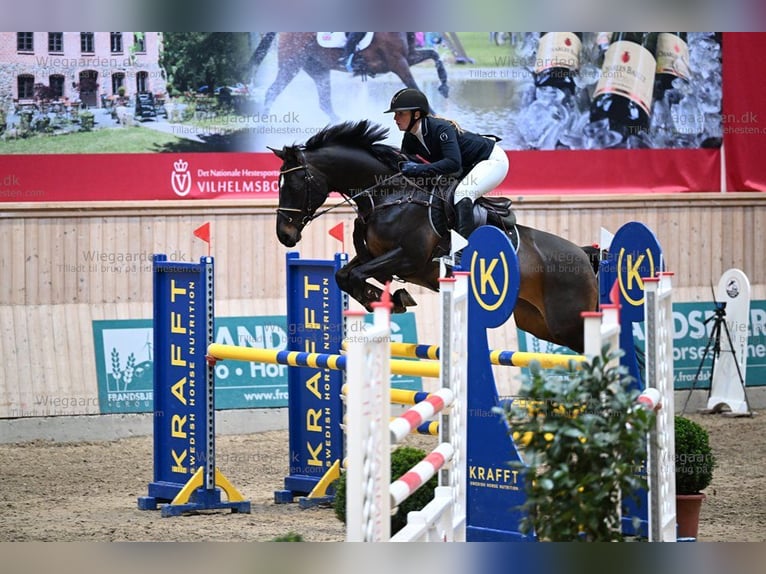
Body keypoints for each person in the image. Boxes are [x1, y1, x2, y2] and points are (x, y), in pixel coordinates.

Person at [384, 87, 509, 241]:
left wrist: (419, 168)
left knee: (463, 193)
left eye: (400, 113)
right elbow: (403, 165)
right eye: (395, 114)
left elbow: (453, 163)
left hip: (491, 160)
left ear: (416, 114)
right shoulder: (410, 137)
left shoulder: (441, 128)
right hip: (468, 168)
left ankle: (462, 252)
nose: (395, 118)